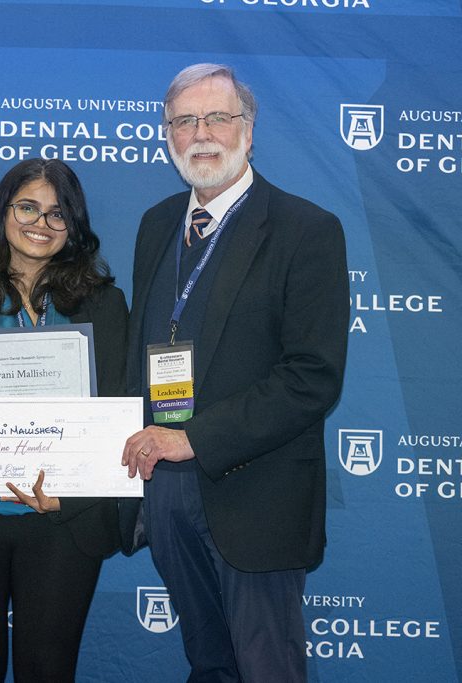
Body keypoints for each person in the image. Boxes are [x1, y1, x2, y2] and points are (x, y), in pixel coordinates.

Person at [121, 64, 349, 682]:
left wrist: (193, 438)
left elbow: (312, 376)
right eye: (184, 120)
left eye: (218, 116)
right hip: (166, 492)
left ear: (249, 130)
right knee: (209, 664)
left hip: (258, 494)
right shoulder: (156, 223)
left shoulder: (307, 230)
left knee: (267, 667)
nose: (202, 132)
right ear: (166, 134)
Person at [0, 158, 142, 682]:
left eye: (57, 214)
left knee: (48, 671)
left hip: (59, 521)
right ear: (3, 213)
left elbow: (117, 413)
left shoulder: (104, 306)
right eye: (28, 207)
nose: (41, 223)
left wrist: (72, 496)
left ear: (73, 226)